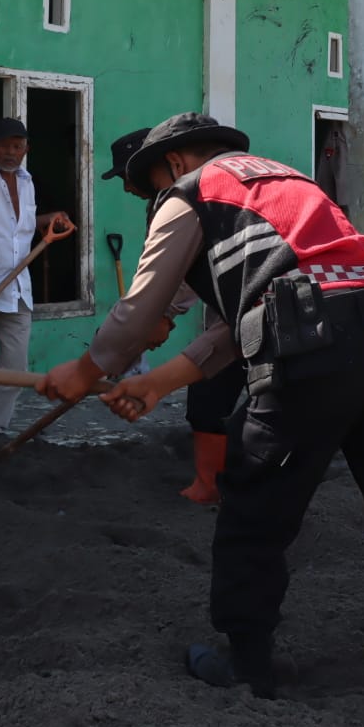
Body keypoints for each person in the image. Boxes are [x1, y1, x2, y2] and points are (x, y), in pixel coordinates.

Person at [41, 113, 364, 727]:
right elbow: (241, 325)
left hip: (313, 345)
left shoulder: (190, 193)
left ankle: (247, 663)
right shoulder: (278, 183)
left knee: (254, 503)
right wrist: (155, 383)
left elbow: (141, 310)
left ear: (178, 162)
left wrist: (86, 369)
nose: (146, 199)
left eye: (145, 185)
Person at [102, 126, 243, 505]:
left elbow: (177, 276)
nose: (126, 189)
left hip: (264, 306)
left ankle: (214, 484)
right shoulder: (175, 198)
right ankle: (213, 480)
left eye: (128, 179)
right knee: (210, 394)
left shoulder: (187, 199)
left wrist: (161, 314)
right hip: (236, 311)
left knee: (215, 392)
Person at [0, 117, 76, 437]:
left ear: (26, 149)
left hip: (16, 288)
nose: (10, 151)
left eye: (17, 146)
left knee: (15, 366)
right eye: (4, 145)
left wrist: (49, 218)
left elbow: (21, 226)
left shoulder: (26, 180)